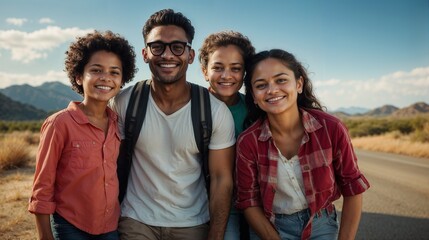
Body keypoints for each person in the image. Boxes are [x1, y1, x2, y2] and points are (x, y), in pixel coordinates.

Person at [110, 9, 235, 240]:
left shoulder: (214, 111)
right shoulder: (125, 102)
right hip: (135, 220)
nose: (167, 55)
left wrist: (216, 236)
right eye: (157, 46)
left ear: (190, 55)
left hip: (193, 223)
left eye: (177, 47)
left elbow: (221, 179)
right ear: (145, 53)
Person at [235, 49, 370, 240]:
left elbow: (352, 188)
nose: (272, 90)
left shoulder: (331, 128)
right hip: (267, 227)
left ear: (298, 84)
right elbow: (248, 201)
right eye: (261, 85)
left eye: (281, 80)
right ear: (254, 97)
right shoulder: (248, 142)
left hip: (321, 225)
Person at [28, 30, 137, 240]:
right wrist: (45, 236)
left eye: (114, 72)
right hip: (70, 226)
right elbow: (43, 186)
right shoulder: (59, 124)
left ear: (122, 79)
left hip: (110, 226)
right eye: (96, 70)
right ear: (79, 76)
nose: (105, 77)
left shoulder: (118, 124)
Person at [198, 30, 255, 240]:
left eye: (236, 68)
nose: (226, 75)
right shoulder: (194, 106)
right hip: (209, 208)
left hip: (254, 206)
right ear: (205, 71)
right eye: (218, 67)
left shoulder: (255, 110)